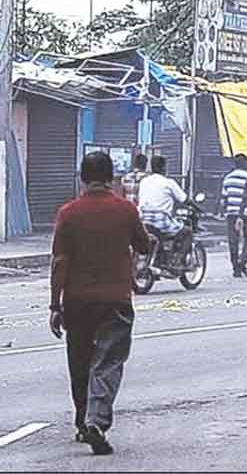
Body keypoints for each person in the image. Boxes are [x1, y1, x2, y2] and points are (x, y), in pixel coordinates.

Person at [49, 151, 150, 455]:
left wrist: (55, 305)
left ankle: (83, 423)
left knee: (79, 364)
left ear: (82, 178)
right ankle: (97, 420)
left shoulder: (68, 213)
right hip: (115, 301)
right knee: (107, 363)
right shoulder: (126, 210)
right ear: (111, 178)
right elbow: (143, 244)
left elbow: (59, 261)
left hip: (77, 301)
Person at [137, 156, 196, 267]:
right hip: (160, 220)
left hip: (143, 219)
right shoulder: (168, 182)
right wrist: (197, 208)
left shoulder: (144, 181)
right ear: (164, 168)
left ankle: (161, 258)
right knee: (187, 232)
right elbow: (185, 200)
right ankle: (177, 261)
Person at [219, 154, 247, 278]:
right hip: (246, 213)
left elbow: (224, 199)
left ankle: (235, 267)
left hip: (232, 213)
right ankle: (243, 261)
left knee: (233, 240)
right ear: (246, 164)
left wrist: (222, 211)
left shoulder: (228, 178)